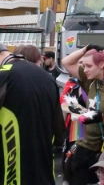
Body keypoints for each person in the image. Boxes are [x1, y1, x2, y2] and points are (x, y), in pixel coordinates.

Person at [0, 43, 64, 185]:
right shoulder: (46, 77)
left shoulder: (3, 74)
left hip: (13, 169)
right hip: (45, 167)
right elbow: (58, 127)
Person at [61, 44, 104, 185]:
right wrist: (86, 49)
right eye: (83, 65)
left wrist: (102, 116)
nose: (85, 69)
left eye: (89, 65)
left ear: (101, 64)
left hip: (100, 152)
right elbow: (66, 62)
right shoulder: (90, 80)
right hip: (82, 146)